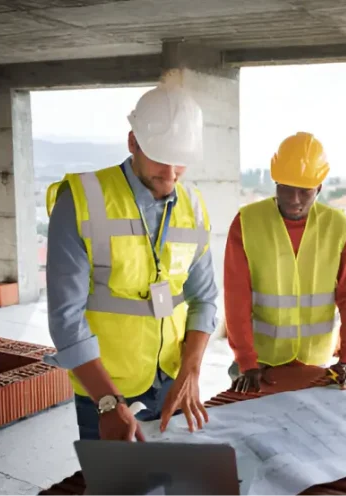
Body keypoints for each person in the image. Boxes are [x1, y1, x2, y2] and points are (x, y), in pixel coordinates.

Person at [44, 82, 218, 441]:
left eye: (179, 161)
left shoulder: (194, 206)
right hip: (105, 389)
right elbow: (65, 319)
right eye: (159, 157)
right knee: (115, 485)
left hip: (173, 378)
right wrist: (108, 402)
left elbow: (203, 298)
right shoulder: (80, 200)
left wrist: (191, 371)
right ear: (133, 142)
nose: (170, 174)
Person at [225, 132, 346, 392]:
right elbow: (236, 297)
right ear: (275, 182)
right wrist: (246, 361)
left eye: (305, 191)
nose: (294, 199)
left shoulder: (337, 226)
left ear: (319, 188)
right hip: (260, 364)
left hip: (316, 361)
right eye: (285, 188)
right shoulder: (247, 222)